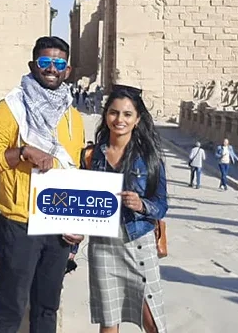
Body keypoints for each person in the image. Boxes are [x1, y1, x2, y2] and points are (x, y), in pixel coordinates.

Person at [0, 36, 87, 333]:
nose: (51, 68)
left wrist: (79, 224)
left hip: (58, 226)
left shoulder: (73, 116)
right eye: (45, 62)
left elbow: (74, 172)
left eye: (58, 63)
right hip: (20, 224)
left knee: (47, 308)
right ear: (33, 65)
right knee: (11, 306)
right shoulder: (11, 108)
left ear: (68, 70)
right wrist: (22, 152)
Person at [86, 85, 168, 333]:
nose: (119, 119)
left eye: (127, 114)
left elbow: (161, 205)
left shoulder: (150, 157)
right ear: (106, 116)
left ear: (137, 119)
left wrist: (141, 204)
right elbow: (82, 203)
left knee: (153, 321)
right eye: (114, 113)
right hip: (103, 245)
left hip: (138, 243)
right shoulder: (91, 156)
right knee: (109, 322)